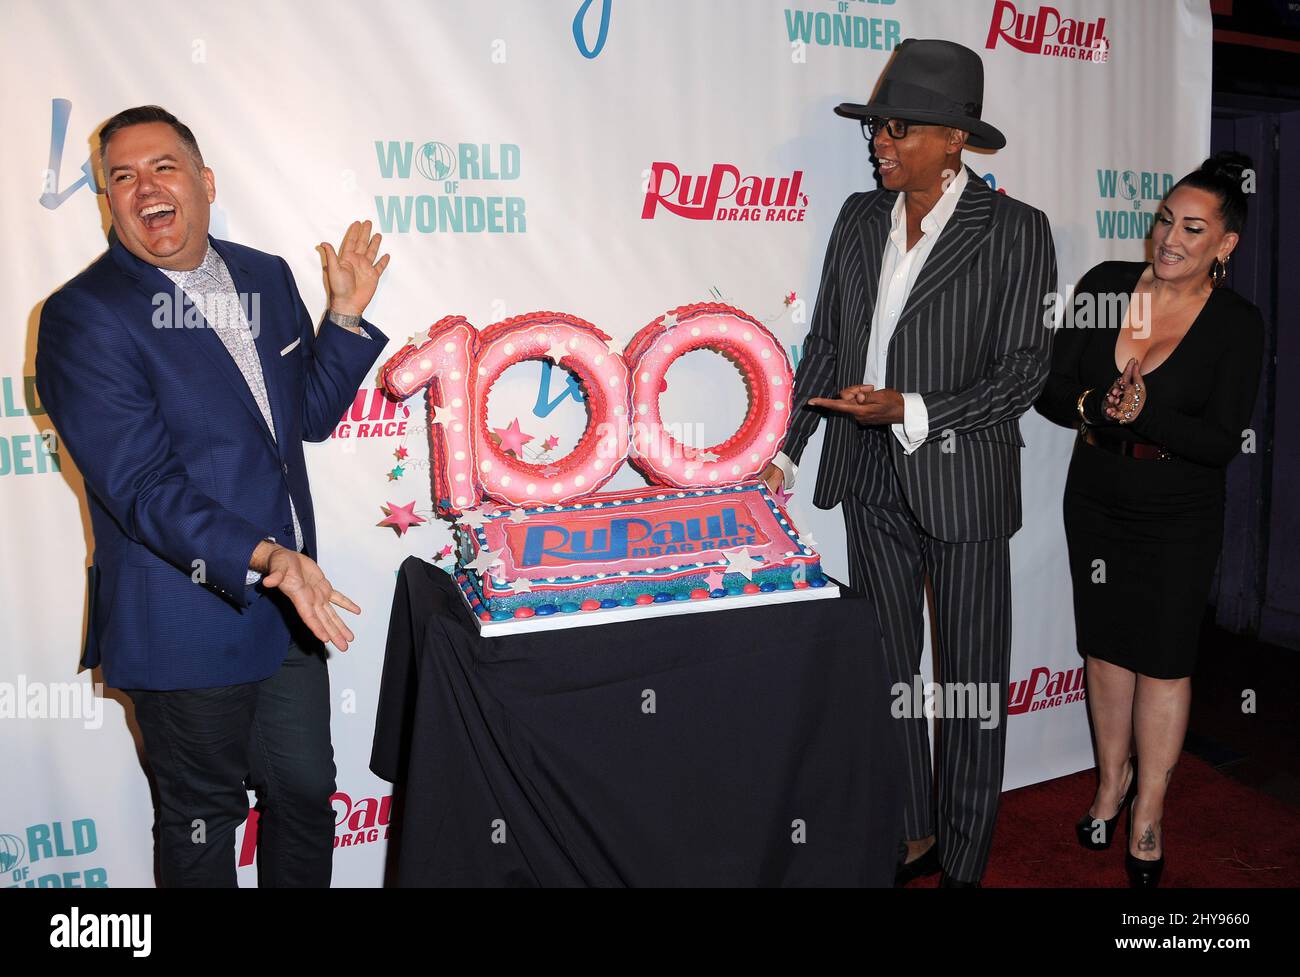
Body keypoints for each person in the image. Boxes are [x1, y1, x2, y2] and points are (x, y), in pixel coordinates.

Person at [36, 105, 392, 887]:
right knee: (203, 828)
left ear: (204, 181)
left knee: (304, 797)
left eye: (163, 166)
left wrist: (343, 316)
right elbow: (142, 488)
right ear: (107, 201)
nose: (144, 189)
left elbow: (303, 419)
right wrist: (270, 557)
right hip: (183, 620)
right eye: (120, 178)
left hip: (288, 609)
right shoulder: (82, 317)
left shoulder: (264, 274)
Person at [762, 39, 1057, 887]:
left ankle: (965, 861)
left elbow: (1023, 372)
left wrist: (912, 409)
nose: (878, 141)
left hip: (962, 482)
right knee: (891, 670)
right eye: (877, 125)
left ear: (955, 138)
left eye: (898, 127)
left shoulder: (1015, 231)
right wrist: (784, 452)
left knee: (969, 682)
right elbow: (826, 346)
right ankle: (911, 832)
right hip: (870, 482)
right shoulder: (858, 218)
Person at [1034, 152, 1263, 888]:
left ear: (1224, 244)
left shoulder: (1236, 324)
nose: (1168, 238)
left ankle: (1149, 812)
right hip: (1097, 493)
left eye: (1192, 228)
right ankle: (1109, 783)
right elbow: (1051, 388)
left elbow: (1222, 441)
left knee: (1163, 663)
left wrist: (1150, 413)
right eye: (1165, 218)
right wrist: (1097, 407)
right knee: (1104, 650)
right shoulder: (1104, 285)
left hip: (1178, 510)